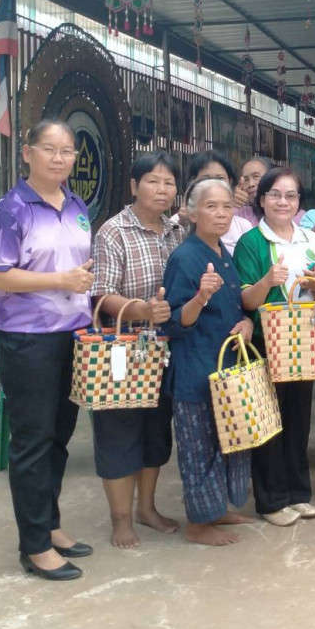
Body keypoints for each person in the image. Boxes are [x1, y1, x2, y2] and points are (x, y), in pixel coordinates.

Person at [0, 119, 95, 581]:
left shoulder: (76, 205)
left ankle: (50, 525)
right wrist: (59, 280)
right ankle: (34, 546)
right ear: (27, 152)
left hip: (73, 334)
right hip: (29, 338)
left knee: (60, 436)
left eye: (67, 151)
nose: (59, 158)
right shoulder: (11, 210)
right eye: (49, 148)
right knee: (32, 440)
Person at [89, 151, 185, 549]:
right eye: (153, 181)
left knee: (155, 432)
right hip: (123, 349)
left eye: (169, 182)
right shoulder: (113, 232)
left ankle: (147, 509)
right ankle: (121, 519)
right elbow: (101, 294)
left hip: (164, 349)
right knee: (119, 432)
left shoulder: (177, 231)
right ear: (134, 186)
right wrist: (141, 310)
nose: (162, 189)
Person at [161, 178, 256, 546]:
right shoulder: (185, 257)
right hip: (196, 370)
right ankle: (198, 524)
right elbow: (174, 321)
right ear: (192, 212)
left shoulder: (220, 251)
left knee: (224, 442)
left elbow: (235, 304)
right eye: (211, 206)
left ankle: (216, 510)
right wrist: (200, 297)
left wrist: (247, 322)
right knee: (198, 448)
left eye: (227, 206)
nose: (221, 213)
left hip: (225, 366)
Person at [234, 168, 315, 527]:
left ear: (299, 201)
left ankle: (298, 493)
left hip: (306, 338)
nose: (283, 202)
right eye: (275, 194)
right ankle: (271, 500)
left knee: (299, 417)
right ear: (262, 199)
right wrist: (267, 281)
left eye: (290, 195)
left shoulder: (309, 238)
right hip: (267, 340)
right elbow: (246, 300)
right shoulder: (252, 242)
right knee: (269, 420)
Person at [184, 150, 254, 255]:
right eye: (206, 179)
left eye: (220, 179)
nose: (214, 184)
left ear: (230, 181)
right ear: (193, 182)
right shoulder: (179, 222)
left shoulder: (243, 226)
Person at [232, 155, 273, 227]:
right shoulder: (237, 215)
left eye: (256, 176)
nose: (251, 184)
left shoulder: (288, 211)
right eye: (246, 180)